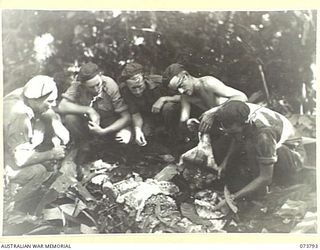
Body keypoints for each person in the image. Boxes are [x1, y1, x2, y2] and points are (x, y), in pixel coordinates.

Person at [208, 101, 305, 211]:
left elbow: (265, 177)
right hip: (269, 142)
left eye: (232, 129)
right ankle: (253, 180)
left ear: (244, 123)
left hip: (292, 155)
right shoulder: (242, 111)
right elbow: (237, 137)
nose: (227, 130)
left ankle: (271, 188)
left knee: (252, 146)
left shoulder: (263, 135)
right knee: (243, 143)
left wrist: (232, 198)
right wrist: (224, 163)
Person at [4, 75, 69, 210]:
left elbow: (46, 109)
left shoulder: (22, 93)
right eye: (50, 101)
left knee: (44, 124)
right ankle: (12, 205)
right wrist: (52, 154)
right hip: (6, 161)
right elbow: (21, 160)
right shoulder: (20, 115)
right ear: (36, 99)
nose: (54, 104)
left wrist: (56, 123)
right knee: (39, 171)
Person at [58, 62, 131, 171]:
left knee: (124, 138)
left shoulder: (110, 84)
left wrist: (104, 131)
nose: (97, 89)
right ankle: (84, 146)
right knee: (70, 118)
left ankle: (115, 154)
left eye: (98, 84)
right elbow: (62, 106)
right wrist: (89, 110)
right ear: (83, 85)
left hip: (109, 122)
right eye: (91, 87)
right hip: (89, 122)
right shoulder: (77, 85)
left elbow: (126, 117)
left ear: (101, 76)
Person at [162, 63, 248, 134]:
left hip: (238, 121)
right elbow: (184, 121)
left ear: (186, 76)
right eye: (177, 90)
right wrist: (190, 123)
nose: (181, 91)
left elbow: (242, 96)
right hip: (221, 127)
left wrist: (214, 111)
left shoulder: (207, 83)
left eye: (180, 86)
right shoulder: (185, 97)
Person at [119, 62, 181, 147]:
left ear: (144, 79)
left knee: (168, 107)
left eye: (140, 86)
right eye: (133, 88)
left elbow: (183, 97)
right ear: (127, 84)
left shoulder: (159, 82)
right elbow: (135, 113)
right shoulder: (125, 90)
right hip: (149, 117)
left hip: (169, 114)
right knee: (143, 135)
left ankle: (177, 139)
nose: (138, 91)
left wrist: (163, 99)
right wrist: (138, 131)